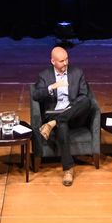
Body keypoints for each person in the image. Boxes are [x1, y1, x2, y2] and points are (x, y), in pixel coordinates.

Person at [31, 45, 94, 186]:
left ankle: (52, 124)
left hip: (75, 114)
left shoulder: (77, 73)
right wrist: (51, 87)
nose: (65, 63)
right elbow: (35, 95)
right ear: (53, 61)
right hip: (55, 113)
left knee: (87, 102)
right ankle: (68, 169)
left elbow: (84, 96)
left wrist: (70, 109)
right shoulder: (44, 75)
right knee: (62, 126)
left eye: (67, 59)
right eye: (61, 61)